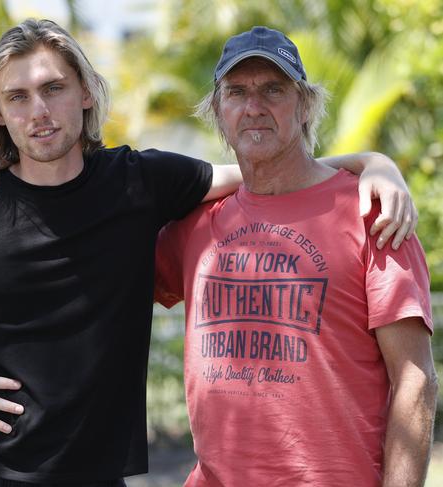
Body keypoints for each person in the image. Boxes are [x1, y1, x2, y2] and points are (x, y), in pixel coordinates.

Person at [0, 19, 418, 486]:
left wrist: (374, 165)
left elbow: (271, 168)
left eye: (54, 88)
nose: (39, 112)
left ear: (87, 94)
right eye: (17, 97)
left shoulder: (141, 183)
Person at [153, 26, 437, 486]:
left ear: (304, 105)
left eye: (273, 89)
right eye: (237, 92)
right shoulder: (195, 227)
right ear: (218, 110)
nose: (254, 106)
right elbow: (89, 284)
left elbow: (415, 380)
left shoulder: (372, 214)